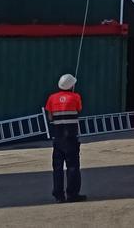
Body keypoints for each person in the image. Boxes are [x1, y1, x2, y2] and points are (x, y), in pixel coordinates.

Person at [45, 73, 86, 203]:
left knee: (57, 167)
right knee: (72, 166)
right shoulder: (75, 97)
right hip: (71, 137)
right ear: (70, 85)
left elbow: (50, 117)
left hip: (58, 137)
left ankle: (59, 195)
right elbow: (79, 109)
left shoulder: (52, 98)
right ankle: (72, 194)